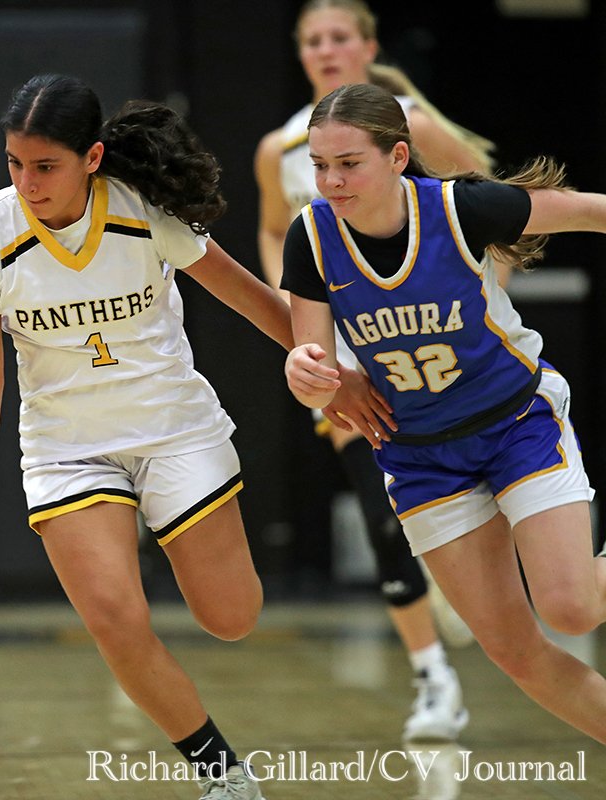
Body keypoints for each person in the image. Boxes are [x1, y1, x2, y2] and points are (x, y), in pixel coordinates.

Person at [0, 73, 388, 800]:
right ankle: (222, 776)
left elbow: (256, 301)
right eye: (15, 164)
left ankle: (179, 534)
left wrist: (335, 376)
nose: (27, 182)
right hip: (67, 449)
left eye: (44, 166)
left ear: (93, 157)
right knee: (115, 617)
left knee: (232, 618)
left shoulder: (146, 214)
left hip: (174, 428)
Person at [283, 81, 606, 744]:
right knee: (517, 654)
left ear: (398, 157)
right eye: (320, 166)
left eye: (349, 164)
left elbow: (588, 211)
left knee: (571, 611)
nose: (332, 181)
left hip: (516, 423)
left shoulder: (463, 209)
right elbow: (313, 371)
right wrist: (306, 376)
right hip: (420, 456)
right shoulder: (311, 237)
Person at [254, 0, 493, 742]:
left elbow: (491, 198)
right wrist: (303, 326)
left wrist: (484, 296)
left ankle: (468, 582)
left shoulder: (411, 127)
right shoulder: (281, 149)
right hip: (348, 359)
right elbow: (273, 231)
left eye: (339, 38)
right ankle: (434, 680)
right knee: (380, 514)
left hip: (435, 346)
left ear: (368, 47)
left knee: (468, 512)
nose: (326, 51)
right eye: (312, 41)